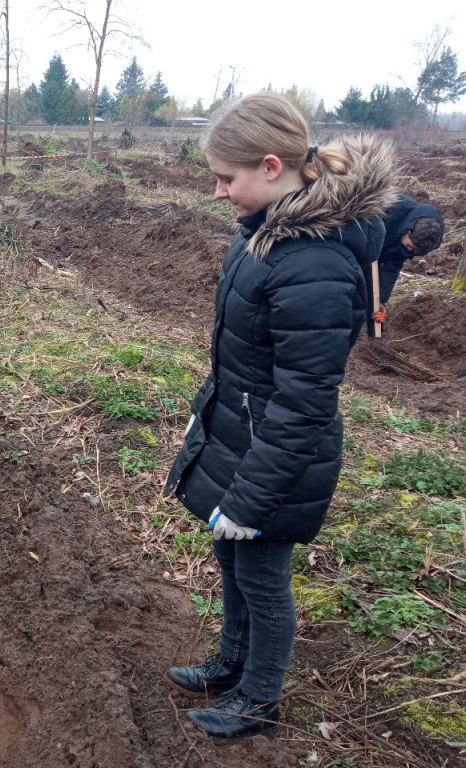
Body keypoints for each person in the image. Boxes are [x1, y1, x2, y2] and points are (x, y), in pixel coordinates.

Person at [163, 93, 394, 740]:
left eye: (225, 179)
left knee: (263, 578)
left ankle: (259, 697)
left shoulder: (312, 263)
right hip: (239, 437)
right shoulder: (260, 237)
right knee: (231, 558)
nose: (216, 192)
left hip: (280, 458)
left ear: (271, 167)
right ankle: (229, 662)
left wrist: (252, 496)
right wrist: (200, 421)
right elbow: (239, 358)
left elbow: (303, 400)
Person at [372, 194, 444, 324]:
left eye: (413, 251)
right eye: (409, 246)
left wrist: (381, 301)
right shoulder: (389, 208)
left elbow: (392, 265)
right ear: (408, 231)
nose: (409, 251)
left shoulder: (425, 236)